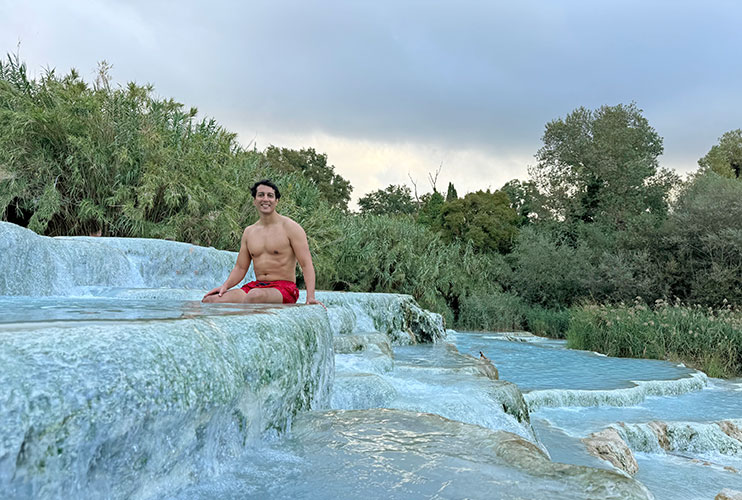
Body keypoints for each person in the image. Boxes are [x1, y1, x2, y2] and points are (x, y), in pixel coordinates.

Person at [202, 179, 323, 306]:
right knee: (210, 300)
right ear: (254, 200)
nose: (265, 199)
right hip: (257, 287)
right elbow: (241, 267)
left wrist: (310, 297)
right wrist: (225, 286)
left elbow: (306, 264)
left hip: (284, 289)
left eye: (270, 196)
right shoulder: (249, 232)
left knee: (254, 296)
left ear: (276, 201)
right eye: (261, 195)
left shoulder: (291, 228)